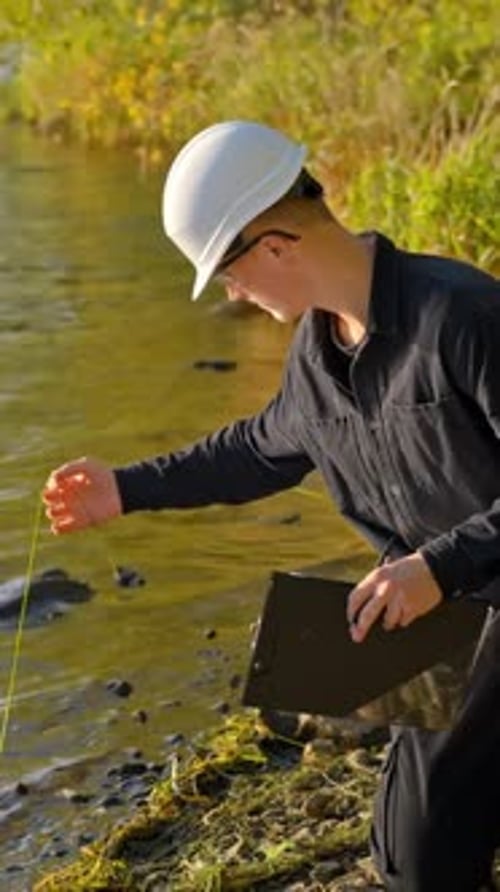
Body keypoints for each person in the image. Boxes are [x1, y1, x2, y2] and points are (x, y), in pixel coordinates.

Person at [43, 120, 500, 891]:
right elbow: (259, 449)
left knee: (426, 860)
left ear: (276, 245)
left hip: (483, 602)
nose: (232, 294)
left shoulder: (461, 314)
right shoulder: (316, 359)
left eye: (228, 274)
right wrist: (124, 488)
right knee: (401, 845)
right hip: (442, 616)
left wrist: (439, 565)